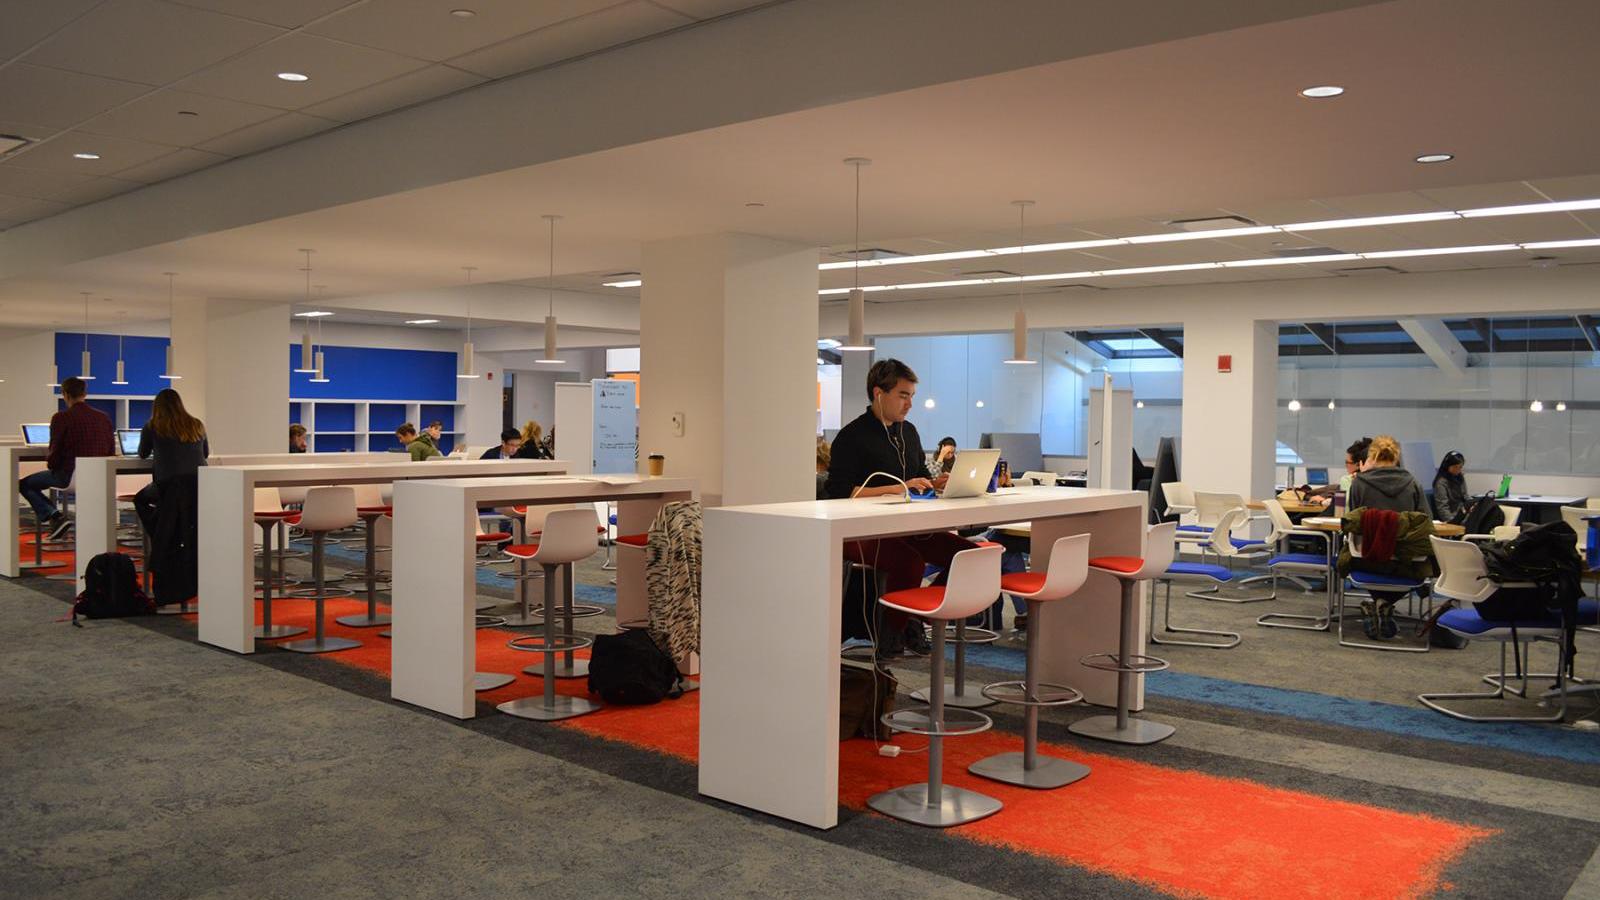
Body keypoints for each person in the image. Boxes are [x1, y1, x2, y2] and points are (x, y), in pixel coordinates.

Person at [827, 359, 976, 658]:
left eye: (911, 397)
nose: (909, 404)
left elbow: (918, 473)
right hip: (859, 533)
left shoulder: (909, 432)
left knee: (968, 554)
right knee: (909, 563)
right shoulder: (852, 436)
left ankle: (915, 618)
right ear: (879, 393)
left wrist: (936, 483)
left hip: (906, 527)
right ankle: (891, 633)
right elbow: (840, 492)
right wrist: (896, 487)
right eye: (903, 395)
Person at [1346, 435, 1428, 640]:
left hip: (1366, 559)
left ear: (1372, 455)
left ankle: (1379, 602)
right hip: (1406, 561)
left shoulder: (1358, 484)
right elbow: (1425, 521)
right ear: (1397, 457)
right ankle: (1385, 603)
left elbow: (1353, 522)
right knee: (1425, 568)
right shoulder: (1412, 483)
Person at [20, 376, 114, 534]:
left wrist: (52, 466)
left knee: (24, 484)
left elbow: (55, 452)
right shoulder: (103, 417)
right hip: (99, 477)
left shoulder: (61, 418)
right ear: (84, 394)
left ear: (65, 394)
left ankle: (55, 516)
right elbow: (111, 451)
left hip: (68, 476)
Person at [134, 389, 209, 534]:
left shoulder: (152, 426)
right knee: (179, 509)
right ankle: (169, 529)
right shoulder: (197, 424)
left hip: (168, 487)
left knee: (140, 500)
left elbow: (143, 453)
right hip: (200, 485)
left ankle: (159, 533)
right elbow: (205, 454)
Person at [1432, 450, 1470, 522]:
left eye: (1460, 467)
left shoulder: (1459, 477)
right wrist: (1452, 522)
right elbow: (1443, 508)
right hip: (1452, 518)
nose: (1458, 470)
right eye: (1455, 467)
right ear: (1447, 466)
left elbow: (1465, 496)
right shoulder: (1441, 483)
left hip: (1463, 514)